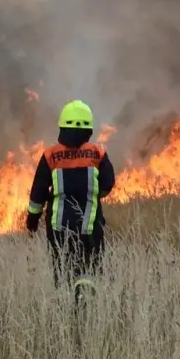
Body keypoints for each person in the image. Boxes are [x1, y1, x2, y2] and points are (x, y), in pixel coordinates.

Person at [25, 99, 115, 299]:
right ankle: (86, 304)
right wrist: (92, 196)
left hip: (58, 228)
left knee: (63, 267)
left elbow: (38, 193)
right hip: (90, 225)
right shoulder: (98, 154)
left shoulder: (50, 156)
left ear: (62, 127)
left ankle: (67, 304)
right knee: (91, 266)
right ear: (89, 130)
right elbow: (108, 184)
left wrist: (32, 220)